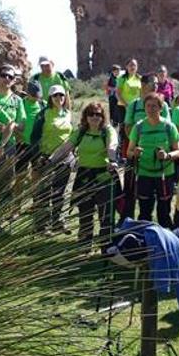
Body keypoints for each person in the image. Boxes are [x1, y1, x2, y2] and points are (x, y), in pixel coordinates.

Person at [52, 102, 119, 248]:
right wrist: (50, 160)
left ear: (103, 117)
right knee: (85, 213)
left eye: (98, 114)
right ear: (86, 117)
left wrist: (112, 159)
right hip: (84, 177)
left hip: (103, 176)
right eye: (91, 114)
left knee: (105, 214)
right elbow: (66, 147)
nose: (95, 117)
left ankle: (107, 247)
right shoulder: (81, 131)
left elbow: (112, 145)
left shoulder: (107, 131)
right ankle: (84, 245)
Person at [128, 93, 179, 228]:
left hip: (165, 174)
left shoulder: (169, 127)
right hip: (144, 174)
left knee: (164, 212)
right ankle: (145, 243)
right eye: (148, 106)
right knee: (145, 212)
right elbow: (128, 152)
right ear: (144, 108)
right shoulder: (138, 127)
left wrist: (167, 156)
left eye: (154, 106)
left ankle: (165, 244)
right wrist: (134, 153)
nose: (151, 109)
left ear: (161, 108)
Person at [31, 84, 74, 234]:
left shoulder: (68, 113)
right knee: (43, 193)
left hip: (65, 158)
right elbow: (34, 137)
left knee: (60, 192)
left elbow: (72, 135)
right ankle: (41, 226)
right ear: (50, 98)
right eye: (55, 95)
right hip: (45, 157)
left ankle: (57, 222)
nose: (59, 98)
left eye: (61, 95)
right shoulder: (43, 114)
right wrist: (36, 157)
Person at [0, 65, 26, 163]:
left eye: (10, 77)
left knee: (6, 177)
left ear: (14, 81)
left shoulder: (17, 100)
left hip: (9, 146)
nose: (7, 78)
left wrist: (9, 127)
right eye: (3, 75)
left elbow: (22, 126)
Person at [125, 74, 171, 139]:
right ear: (143, 85)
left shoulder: (163, 105)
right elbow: (128, 127)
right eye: (153, 83)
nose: (156, 86)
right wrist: (135, 142)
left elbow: (168, 126)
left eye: (157, 84)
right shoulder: (133, 105)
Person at [16, 80, 45, 172]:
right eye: (33, 95)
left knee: (37, 172)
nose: (36, 98)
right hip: (22, 144)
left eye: (38, 95)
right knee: (20, 172)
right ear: (28, 93)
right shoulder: (20, 103)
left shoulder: (44, 105)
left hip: (38, 145)